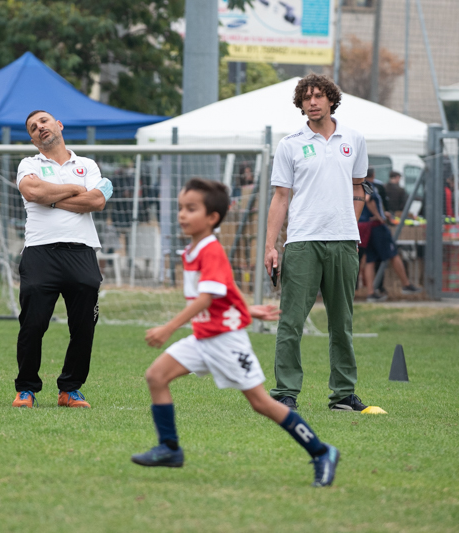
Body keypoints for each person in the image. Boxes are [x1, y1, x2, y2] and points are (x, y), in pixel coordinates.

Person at [131, 178, 340, 487]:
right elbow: (225, 288)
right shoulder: (193, 250)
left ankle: (322, 452)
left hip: (227, 342)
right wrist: (249, 310)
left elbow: (207, 297)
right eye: (181, 208)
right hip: (203, 338)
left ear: (212, 217)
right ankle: (170, 449)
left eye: (191, 209)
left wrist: (169, 327)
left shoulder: (210, 250)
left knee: (262, 403)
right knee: (156, 376)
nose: (182, 215)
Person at [264, 74, 377, 412]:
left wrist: (348, 223)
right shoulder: (290, 144)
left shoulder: (354, 139)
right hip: (302, 242)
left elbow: (358, 187)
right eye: (306, 98)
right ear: (300, 104)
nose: (312, 102)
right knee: (291, 320)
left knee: (342, 322)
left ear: (331, 99)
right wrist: (271, 246)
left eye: (318, 96)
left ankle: (343, 395)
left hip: (343, 242)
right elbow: (280, 197)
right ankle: (285, 392)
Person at [12, 110, 113, 408]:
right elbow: (32, 191)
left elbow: (96, 200)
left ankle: (70, 388)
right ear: (33, 139)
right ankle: (26, 388)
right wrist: (73, 190)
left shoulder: (87, 164)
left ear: (58, 125)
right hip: (39, 252)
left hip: (82, 252)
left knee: (83, 326)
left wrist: (52, 199)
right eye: (33, 127)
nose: (39, 127)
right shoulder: (29, 164)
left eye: (44, 121)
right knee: (33, 324)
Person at [360, 168, 422, 302]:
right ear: (373, 174)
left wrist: (383, 213)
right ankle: (406, 284)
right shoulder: (369, 185)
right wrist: (379, 216)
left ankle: (370, 293)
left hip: (366, 226)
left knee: (370, 259)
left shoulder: (360, 184)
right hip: (376, 226)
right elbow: (369, 200)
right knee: (393, 254)